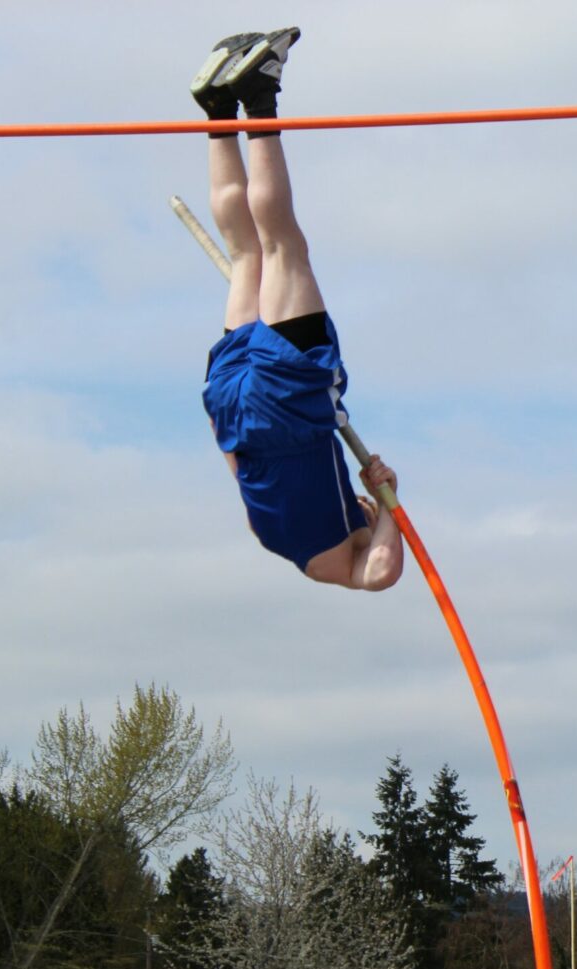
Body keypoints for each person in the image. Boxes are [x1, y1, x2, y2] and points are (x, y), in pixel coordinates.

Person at [191, 28, 404, 590]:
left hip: (289, 403)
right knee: (246, 254)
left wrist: (390, 505)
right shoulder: (272, 536)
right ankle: (218, 108)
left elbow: (379, 575)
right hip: (231, 410)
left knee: (282, 245)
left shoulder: (336, 563)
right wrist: (371, 502)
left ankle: (259, 94)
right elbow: (233, 459)